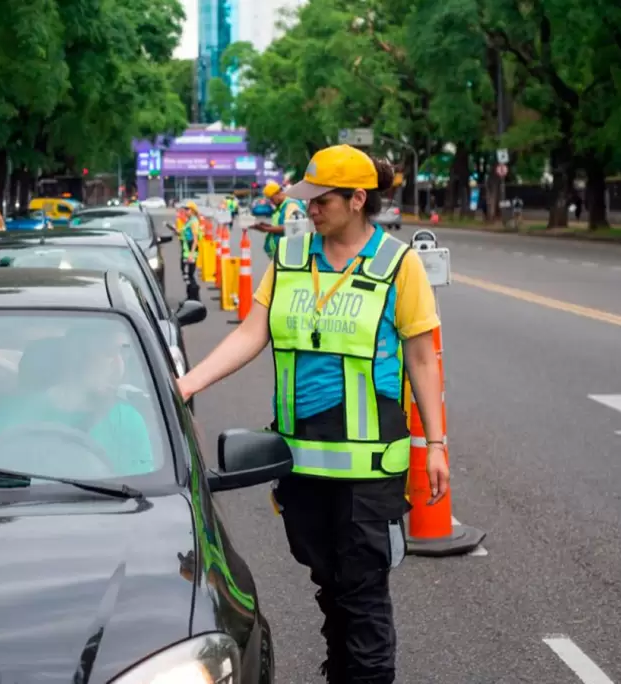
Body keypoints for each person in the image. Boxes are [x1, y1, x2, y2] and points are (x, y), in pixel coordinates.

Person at [177, 144, 449, 684]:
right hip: (302, 463)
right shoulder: (293, 258)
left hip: (369, 470)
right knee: (330, 586)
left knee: (364, 592)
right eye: (306, 199)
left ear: (357, 199)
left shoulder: (399, 265)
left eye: (320, 200)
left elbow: (422, 356)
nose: (309, 210)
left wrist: (436, 446)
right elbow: (254, 332)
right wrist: (186, 383)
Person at [0, 329, 154, 477]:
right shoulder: (8, 416)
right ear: (77, 353)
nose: (119, 366)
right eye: (108, 353)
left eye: (123, 353)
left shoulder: (127, 421)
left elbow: (141, 497)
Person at [251, 181, 307, 259]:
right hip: (280, 255)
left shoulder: (291, 205)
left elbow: (293, 228)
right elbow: (281, 225)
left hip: (288, 254)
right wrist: (266, 226)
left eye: (272, 198)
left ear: (278, 193)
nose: (271, 202)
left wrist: (267, 229)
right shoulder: (281, 207)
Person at [180, 201, 201, 283]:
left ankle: (194, 294)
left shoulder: (194, 222)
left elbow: (195, 239)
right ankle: (191, 294)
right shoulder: (189, 221)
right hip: (186, 249)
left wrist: (191, 254)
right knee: (186, 274)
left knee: (190, 274)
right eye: (185, 209)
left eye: (187, 209)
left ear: (192, 210)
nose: (185, 211)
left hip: (191, 249)